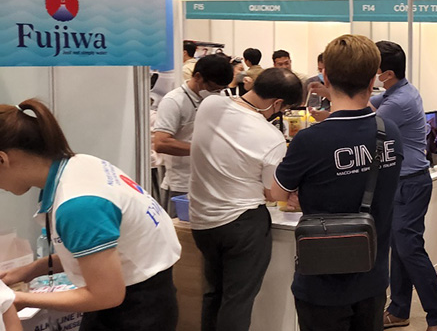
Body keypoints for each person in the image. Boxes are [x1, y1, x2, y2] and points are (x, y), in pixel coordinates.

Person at [0, 99, 181, 330]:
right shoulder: (79, 165)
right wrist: (30, 270)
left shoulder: (79, 204)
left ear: (2, 159)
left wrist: (16, 300)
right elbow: (100, 254)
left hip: (134, 312)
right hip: (142, 295)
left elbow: (106, 295)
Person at [271, 35, 403, 331]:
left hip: (322, 281)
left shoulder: (310, 140)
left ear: (326, 78)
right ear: (373, 80)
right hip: (373, 276)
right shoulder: (390, 132)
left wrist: (304, 193)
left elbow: (278, 191)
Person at [189, 68, 303, 331]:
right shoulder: (270, 137)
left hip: (202, 221)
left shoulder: (210, 105)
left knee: (213, 293)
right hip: (242, 224)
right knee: (237, 300)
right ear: (277, 103)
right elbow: (273, 193)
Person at [371, 41, 437, 331]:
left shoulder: (399, 101)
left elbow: (364, 121)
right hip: (402, 181)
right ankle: (398, 310)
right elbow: (369, 103)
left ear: (387, 74)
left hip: (410, 183)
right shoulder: (398, 91)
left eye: (373, 68)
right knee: (400, 247)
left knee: (409, 249)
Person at [153, 53, 233, 216]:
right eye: (212, 88)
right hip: (182, 185)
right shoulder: (174, 101)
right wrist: (203, 149)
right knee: (181, 228)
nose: (216, 92)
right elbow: (161, 143)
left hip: (213, 182)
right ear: (197, 77)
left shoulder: (220, 97)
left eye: (220, 89)